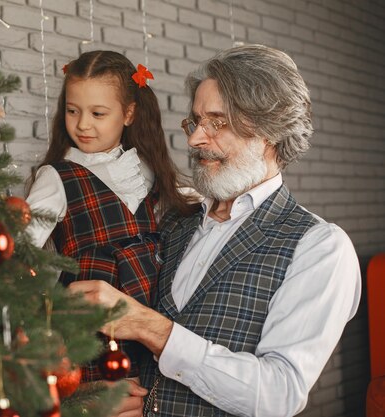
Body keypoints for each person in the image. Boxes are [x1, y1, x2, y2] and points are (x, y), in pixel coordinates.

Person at [70, 44, 362, 417]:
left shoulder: (320, 247)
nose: (194, 139)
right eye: (195, 121)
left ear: (270, 131)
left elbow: (279, 395)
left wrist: (151, 328)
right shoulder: (175, 222)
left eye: (217, 122)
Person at [25, 50, 195, 383]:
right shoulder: (58, 177)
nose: (82, 124)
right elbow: (22, 251)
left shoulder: (146, 169)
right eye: (72, 111)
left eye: (98, 113)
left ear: (129, 113)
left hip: (150, 315)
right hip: (90, 321)